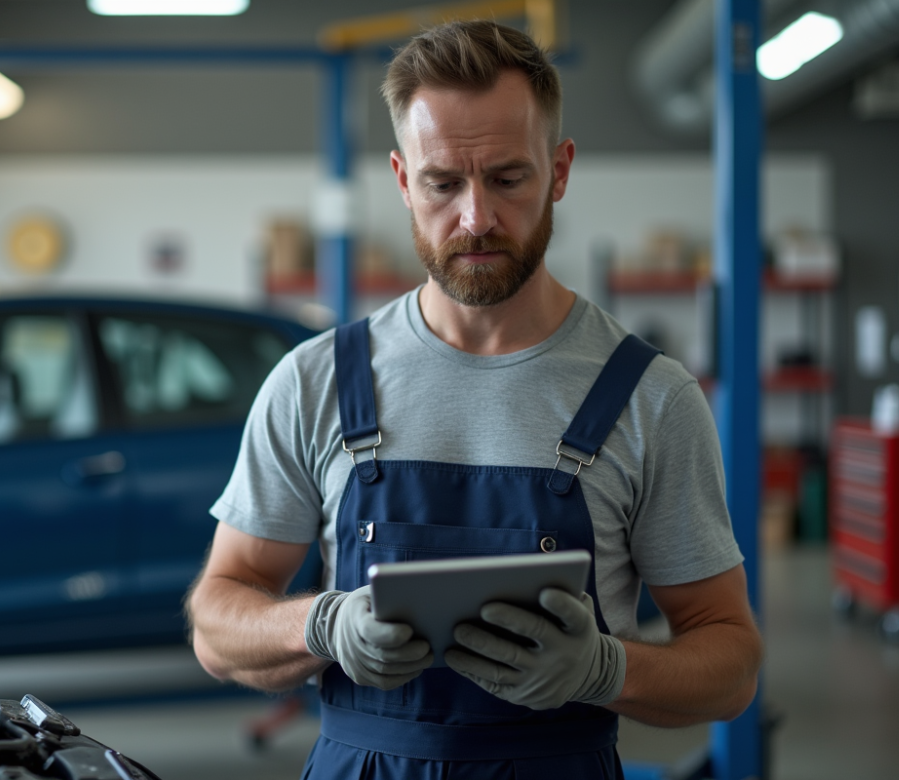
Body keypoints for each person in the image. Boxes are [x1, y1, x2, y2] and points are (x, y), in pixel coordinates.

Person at [186, 19, 762, 779]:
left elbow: (730, 662)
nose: (476, 217)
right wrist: (323, 624)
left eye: (507, 178)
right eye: (443, 182)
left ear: (559, 171)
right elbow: (217, 624)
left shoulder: (651, 399)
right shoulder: (314, 381)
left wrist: (607, 670)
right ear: (401, 180)